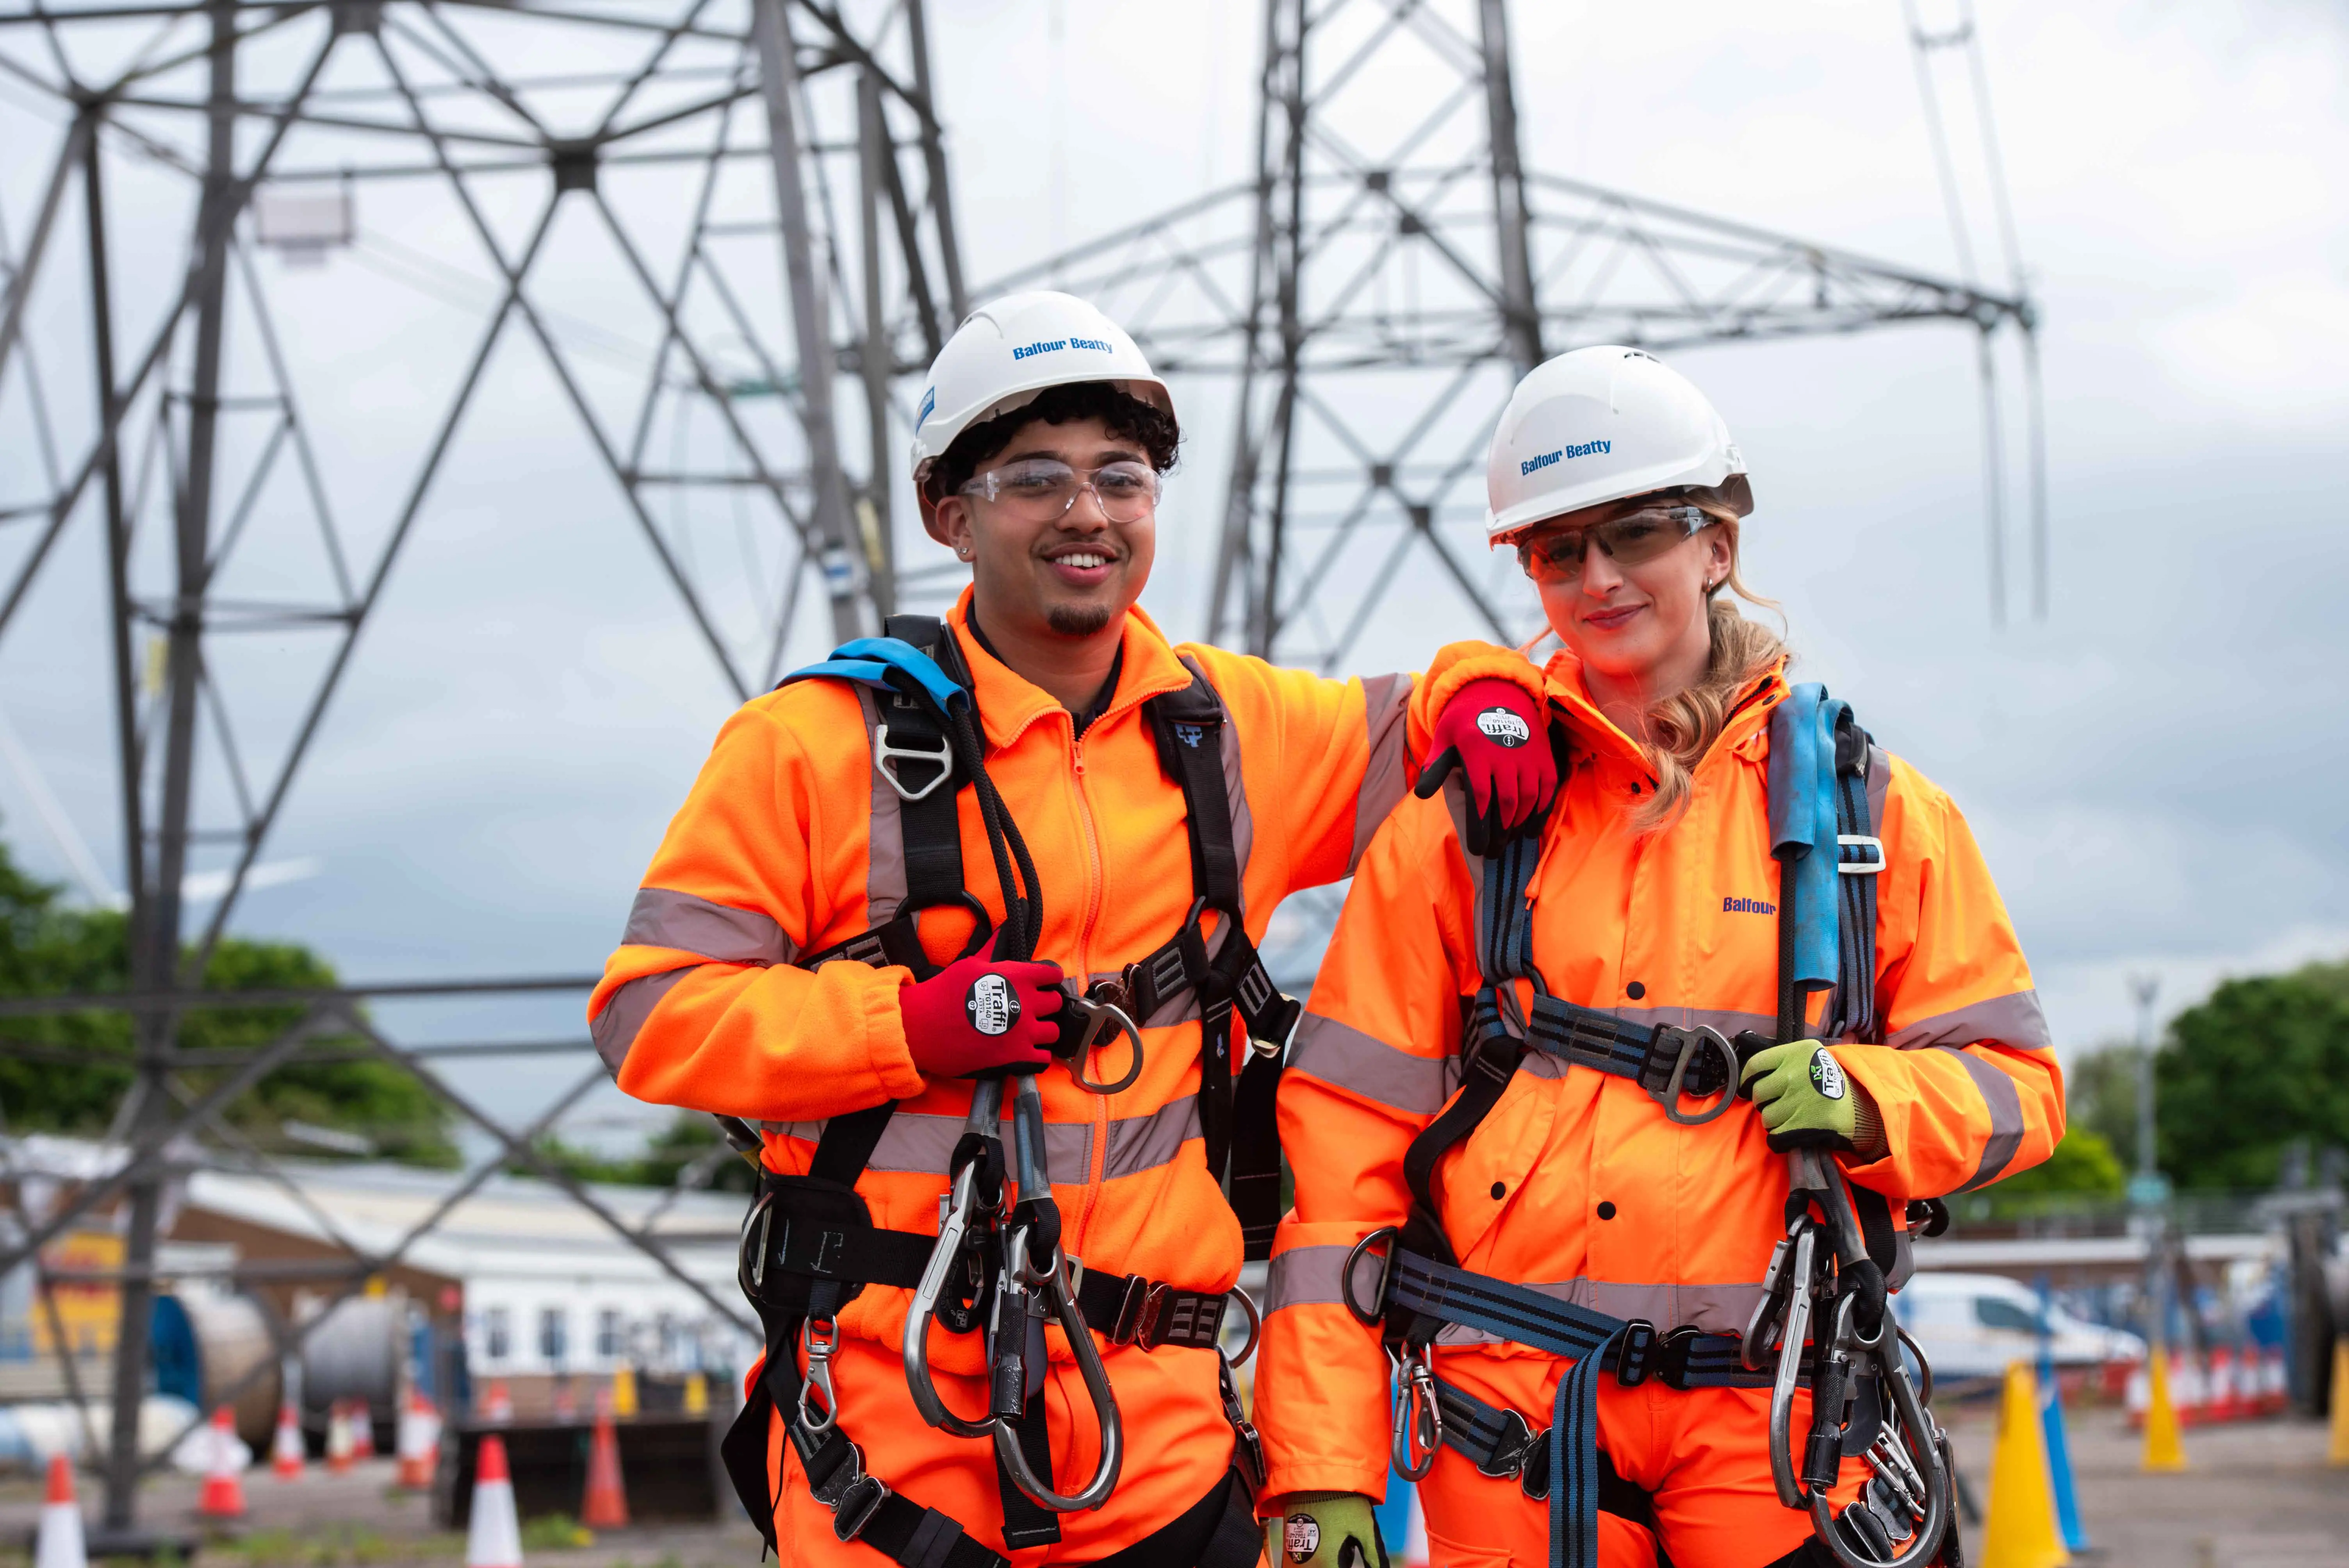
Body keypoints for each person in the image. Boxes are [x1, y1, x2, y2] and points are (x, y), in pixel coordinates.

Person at [589, 291, 1558, 1568]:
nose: (1088, 512)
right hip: (892, 1440)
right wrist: (905, 1026)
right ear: (953, 513)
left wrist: (1491, 688)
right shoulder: (814, 751)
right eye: (1035, 476)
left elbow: (1424, 715)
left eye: (1124, 476)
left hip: (1161, 1441)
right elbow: (647, 1016)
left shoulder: (1225, 730)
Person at [1251, 346, 2064, 1568]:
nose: (1597, 577)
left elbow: (2021, 1090)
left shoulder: (1873, 817)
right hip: (1510, 1440)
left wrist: (1871, 1098)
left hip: (1779, 1432)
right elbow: (1340, 1162)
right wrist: (1317, 1470)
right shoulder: (1462, 825)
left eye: (1633, 535)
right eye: (1555, 551)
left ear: (1717, 543)